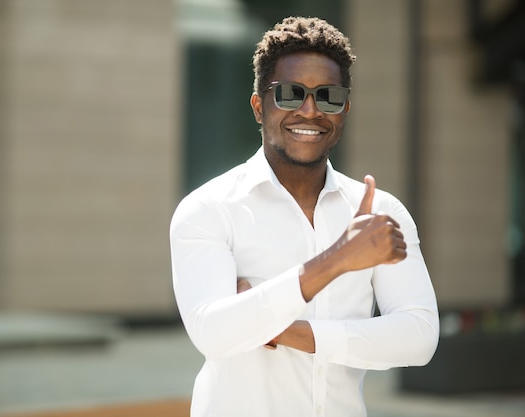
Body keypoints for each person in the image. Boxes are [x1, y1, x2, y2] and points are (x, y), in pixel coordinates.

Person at [169, 16, 439, 417]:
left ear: (344, 109)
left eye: (327, 96)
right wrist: (338, 260)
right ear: (259, 106)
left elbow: (419, 337)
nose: (310, 111)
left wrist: (286, 330)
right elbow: (213, 333)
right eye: (291, 94)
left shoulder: (381, 211)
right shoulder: (209, 209)